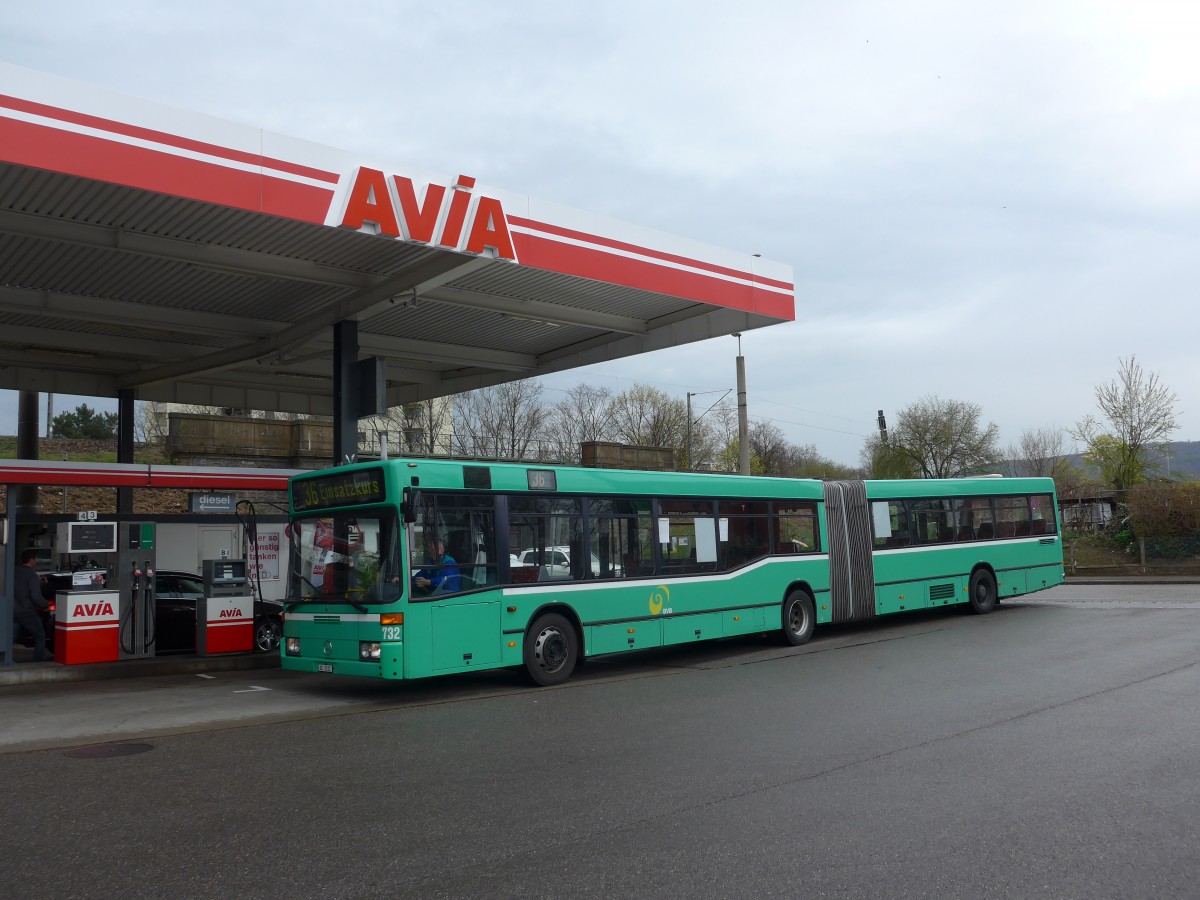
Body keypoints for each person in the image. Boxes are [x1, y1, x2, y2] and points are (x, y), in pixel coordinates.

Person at [13, 549, 50, 662]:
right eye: (36, 559)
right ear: (31, 560)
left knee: (11, 637)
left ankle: (3, 658)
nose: (37, 561)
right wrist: (45, 605)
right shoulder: (32, 575)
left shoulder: (14, 570)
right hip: (27, 612)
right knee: (40, 637)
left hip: (13, 610)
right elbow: (36, 596)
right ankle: (38, 662)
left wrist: (38, 582)